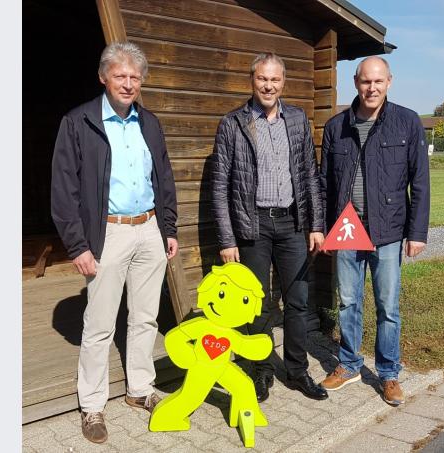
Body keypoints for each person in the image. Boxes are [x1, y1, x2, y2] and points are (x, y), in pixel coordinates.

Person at [51, 41, 179, 444]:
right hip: (107, 233)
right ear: (103, 77)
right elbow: (63, 190)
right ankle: (92, 405)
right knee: (100, 324)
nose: (128, 83)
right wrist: (77, 245)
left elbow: (165, 178)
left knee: (145, 318)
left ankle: (140, 389)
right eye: (121, 75)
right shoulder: (79, 122)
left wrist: (168, 228)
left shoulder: (150, 123)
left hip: (149, 230)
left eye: (135, 76)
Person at [210, 52, 328, 403]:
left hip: (293, 222)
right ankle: (260, 371)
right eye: (263, 78)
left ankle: (296, 369)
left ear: (283, 83)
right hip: (253, 225)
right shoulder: (233, 123)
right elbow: (219, 186)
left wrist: (316, 224)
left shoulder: (297, 120)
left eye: (275, 80)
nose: (268, 85)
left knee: (298, 301)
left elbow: (310, 174)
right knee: (256, 304)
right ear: (252, 80)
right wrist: (227, 238)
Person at [319, 56, 429, 406]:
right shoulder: (336, 126)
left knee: (388, 305)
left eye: (378, 82)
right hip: (347, 230)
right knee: (348, 301)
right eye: (366, 81)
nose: (372, 88)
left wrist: (418, 233)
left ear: (389, 82)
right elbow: (324, 184)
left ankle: (388, 373)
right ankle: (349, 364)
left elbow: (420, 182)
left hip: (389, 230)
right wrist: (322, 229)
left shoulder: (407, 122)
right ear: (356, 82)